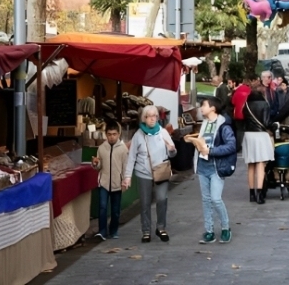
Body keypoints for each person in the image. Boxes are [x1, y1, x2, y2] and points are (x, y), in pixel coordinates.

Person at [185, 97, 237, 244]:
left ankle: (226, 228)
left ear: (213, 108)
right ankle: (209, 231)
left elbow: (231, 146)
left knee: (215, 198)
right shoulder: (205, 123)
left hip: (216, 167)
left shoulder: (223, 125)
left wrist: (211, 150)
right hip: (202, 166)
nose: (201, 108)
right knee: (206, 200)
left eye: (204, 105)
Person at [124, 105, 177, 243]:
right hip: (143, 172)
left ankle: (161, 227)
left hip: (161, 171)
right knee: (145, 203)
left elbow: (173, 153)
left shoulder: (163, 132)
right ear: (144, 118)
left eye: (155, 116)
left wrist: (171, 149)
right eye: (149, 116)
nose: (152, 119)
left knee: (162, 199)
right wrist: (127, 176)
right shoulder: (138, 135)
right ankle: (146, 230)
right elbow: (131, 157)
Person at [92, 121, 128, 240]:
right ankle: (102, 231)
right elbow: (98, 167)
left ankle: (114, 230)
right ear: (106, 135)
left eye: (114, 134)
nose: (112, 137)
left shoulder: (123, 149)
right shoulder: (101, 148)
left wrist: (125, 181)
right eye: (109, 134)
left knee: (115, 210)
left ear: (118, 134)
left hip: (117, 183)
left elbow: (125, 166)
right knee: (102, 207)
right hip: (104, 182)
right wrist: (95, 163)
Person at [242, 89, 275, 204]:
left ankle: (251, 193)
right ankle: (260, 194)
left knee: (251, 165)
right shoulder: (264, 104)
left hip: (248, 135)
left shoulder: (246, 105)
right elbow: (266, 122)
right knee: (261, 164)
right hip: (261, 135)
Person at [230, 75, 256, 154]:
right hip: (247, 113)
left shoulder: (237, 91)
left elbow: (233, 102)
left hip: (237, 114)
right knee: (247, 130)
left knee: (239, 131)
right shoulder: (250, 91)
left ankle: (238, 146)